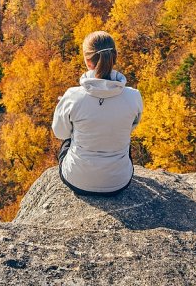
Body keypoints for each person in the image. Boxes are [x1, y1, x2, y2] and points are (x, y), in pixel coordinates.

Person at [52, 31, 143, 196]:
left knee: (68, 139)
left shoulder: (73, 96)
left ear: (88, 61)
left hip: (77, 180)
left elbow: (60, 133)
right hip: (119, 182)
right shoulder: (133, 96)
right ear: (115, 57)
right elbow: (131, 126)